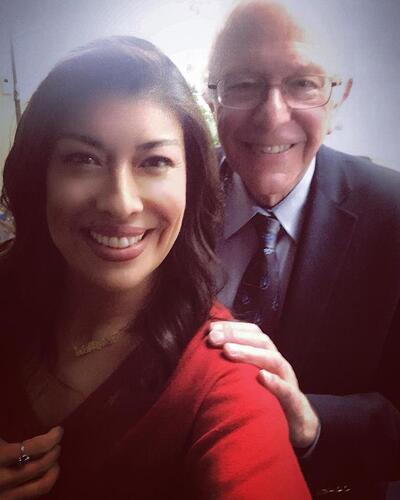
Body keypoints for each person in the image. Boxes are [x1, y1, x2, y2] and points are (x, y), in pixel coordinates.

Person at [0, 36, 311, 499]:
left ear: (191, 181)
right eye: (83, 159)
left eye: (154, 162)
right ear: (40, 173)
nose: (121, 202)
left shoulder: (220, 379)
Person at [206, 2, 400, 499]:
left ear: (339, 97)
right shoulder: (167, 196)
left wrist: (311, 423)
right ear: (212, 98)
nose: (272, 115)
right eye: (243, 83)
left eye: (303, 83)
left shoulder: (393, 215)